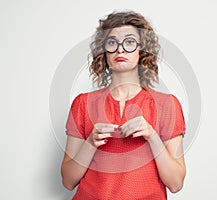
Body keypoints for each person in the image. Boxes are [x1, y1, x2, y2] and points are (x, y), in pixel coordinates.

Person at [61, 10, 186, 200]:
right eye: (112, 43)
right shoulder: (83, 103)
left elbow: (176, 183)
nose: (120, 50)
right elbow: (68, 181)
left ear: (142, 50)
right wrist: (90, 142)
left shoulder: (167, 105)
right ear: (104, 51)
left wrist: (152, 136)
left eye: (129, 42)